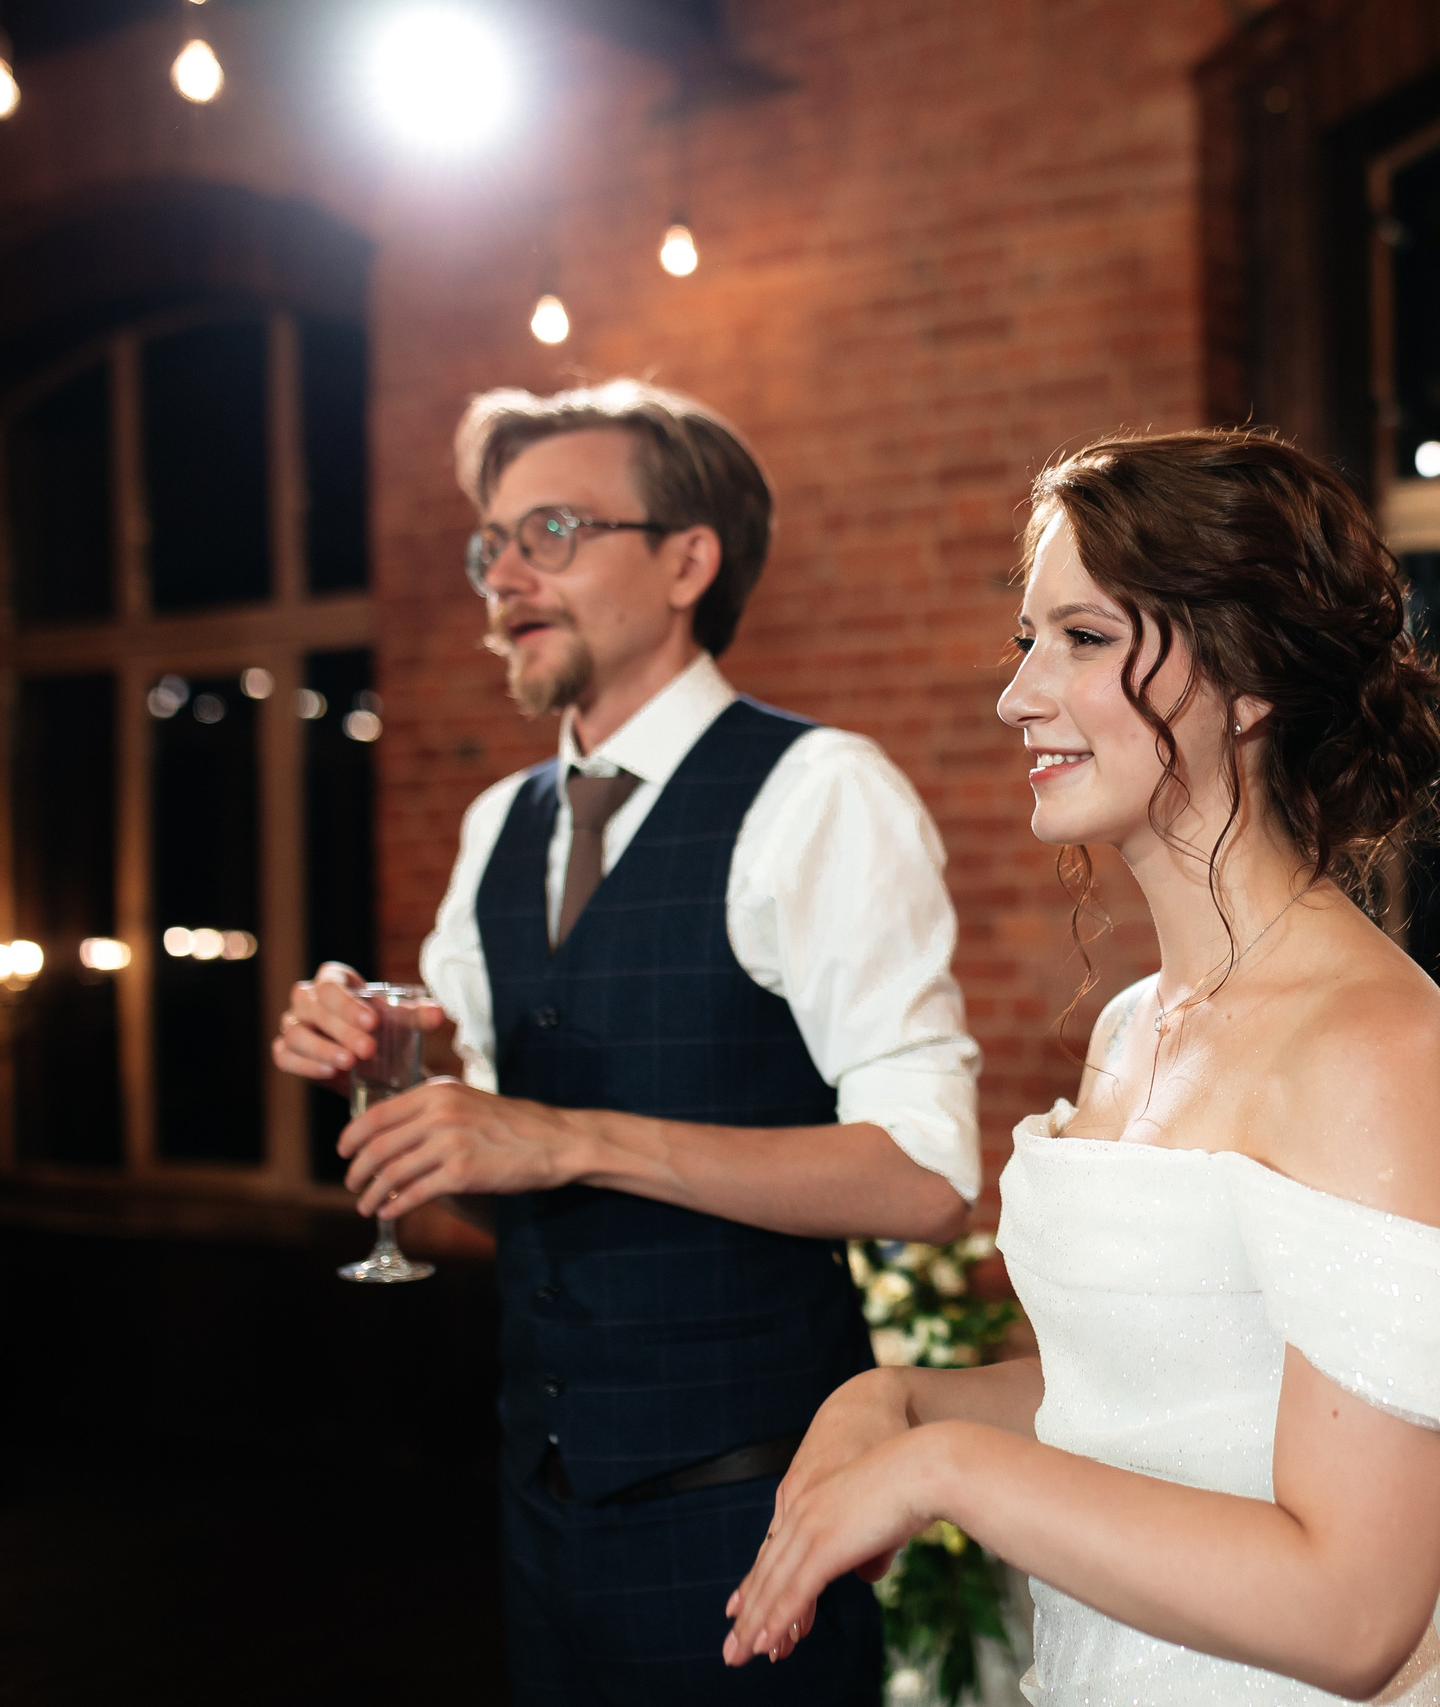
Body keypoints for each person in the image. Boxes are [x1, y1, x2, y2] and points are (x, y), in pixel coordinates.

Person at [721, 429, 1440, 1702]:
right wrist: (903, 1402)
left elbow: (1355, 1613)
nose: (1018, 695)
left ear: (1249, 680)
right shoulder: (1128, 1025)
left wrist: (947, 1472)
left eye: (1084, 638)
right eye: (1027, 640)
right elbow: (1155, 1404)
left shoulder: (1368, 1046)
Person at [270, 379, 979, 1706]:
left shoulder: (818, 793)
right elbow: (505, 1180)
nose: (503, 578)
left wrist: (569, 1137)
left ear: (686, 562)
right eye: (491, 545)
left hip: (755, 1519)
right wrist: (405, 1087)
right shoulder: (500, 823)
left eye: (551, 531)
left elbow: (926, 1180)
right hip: (541, 1514)